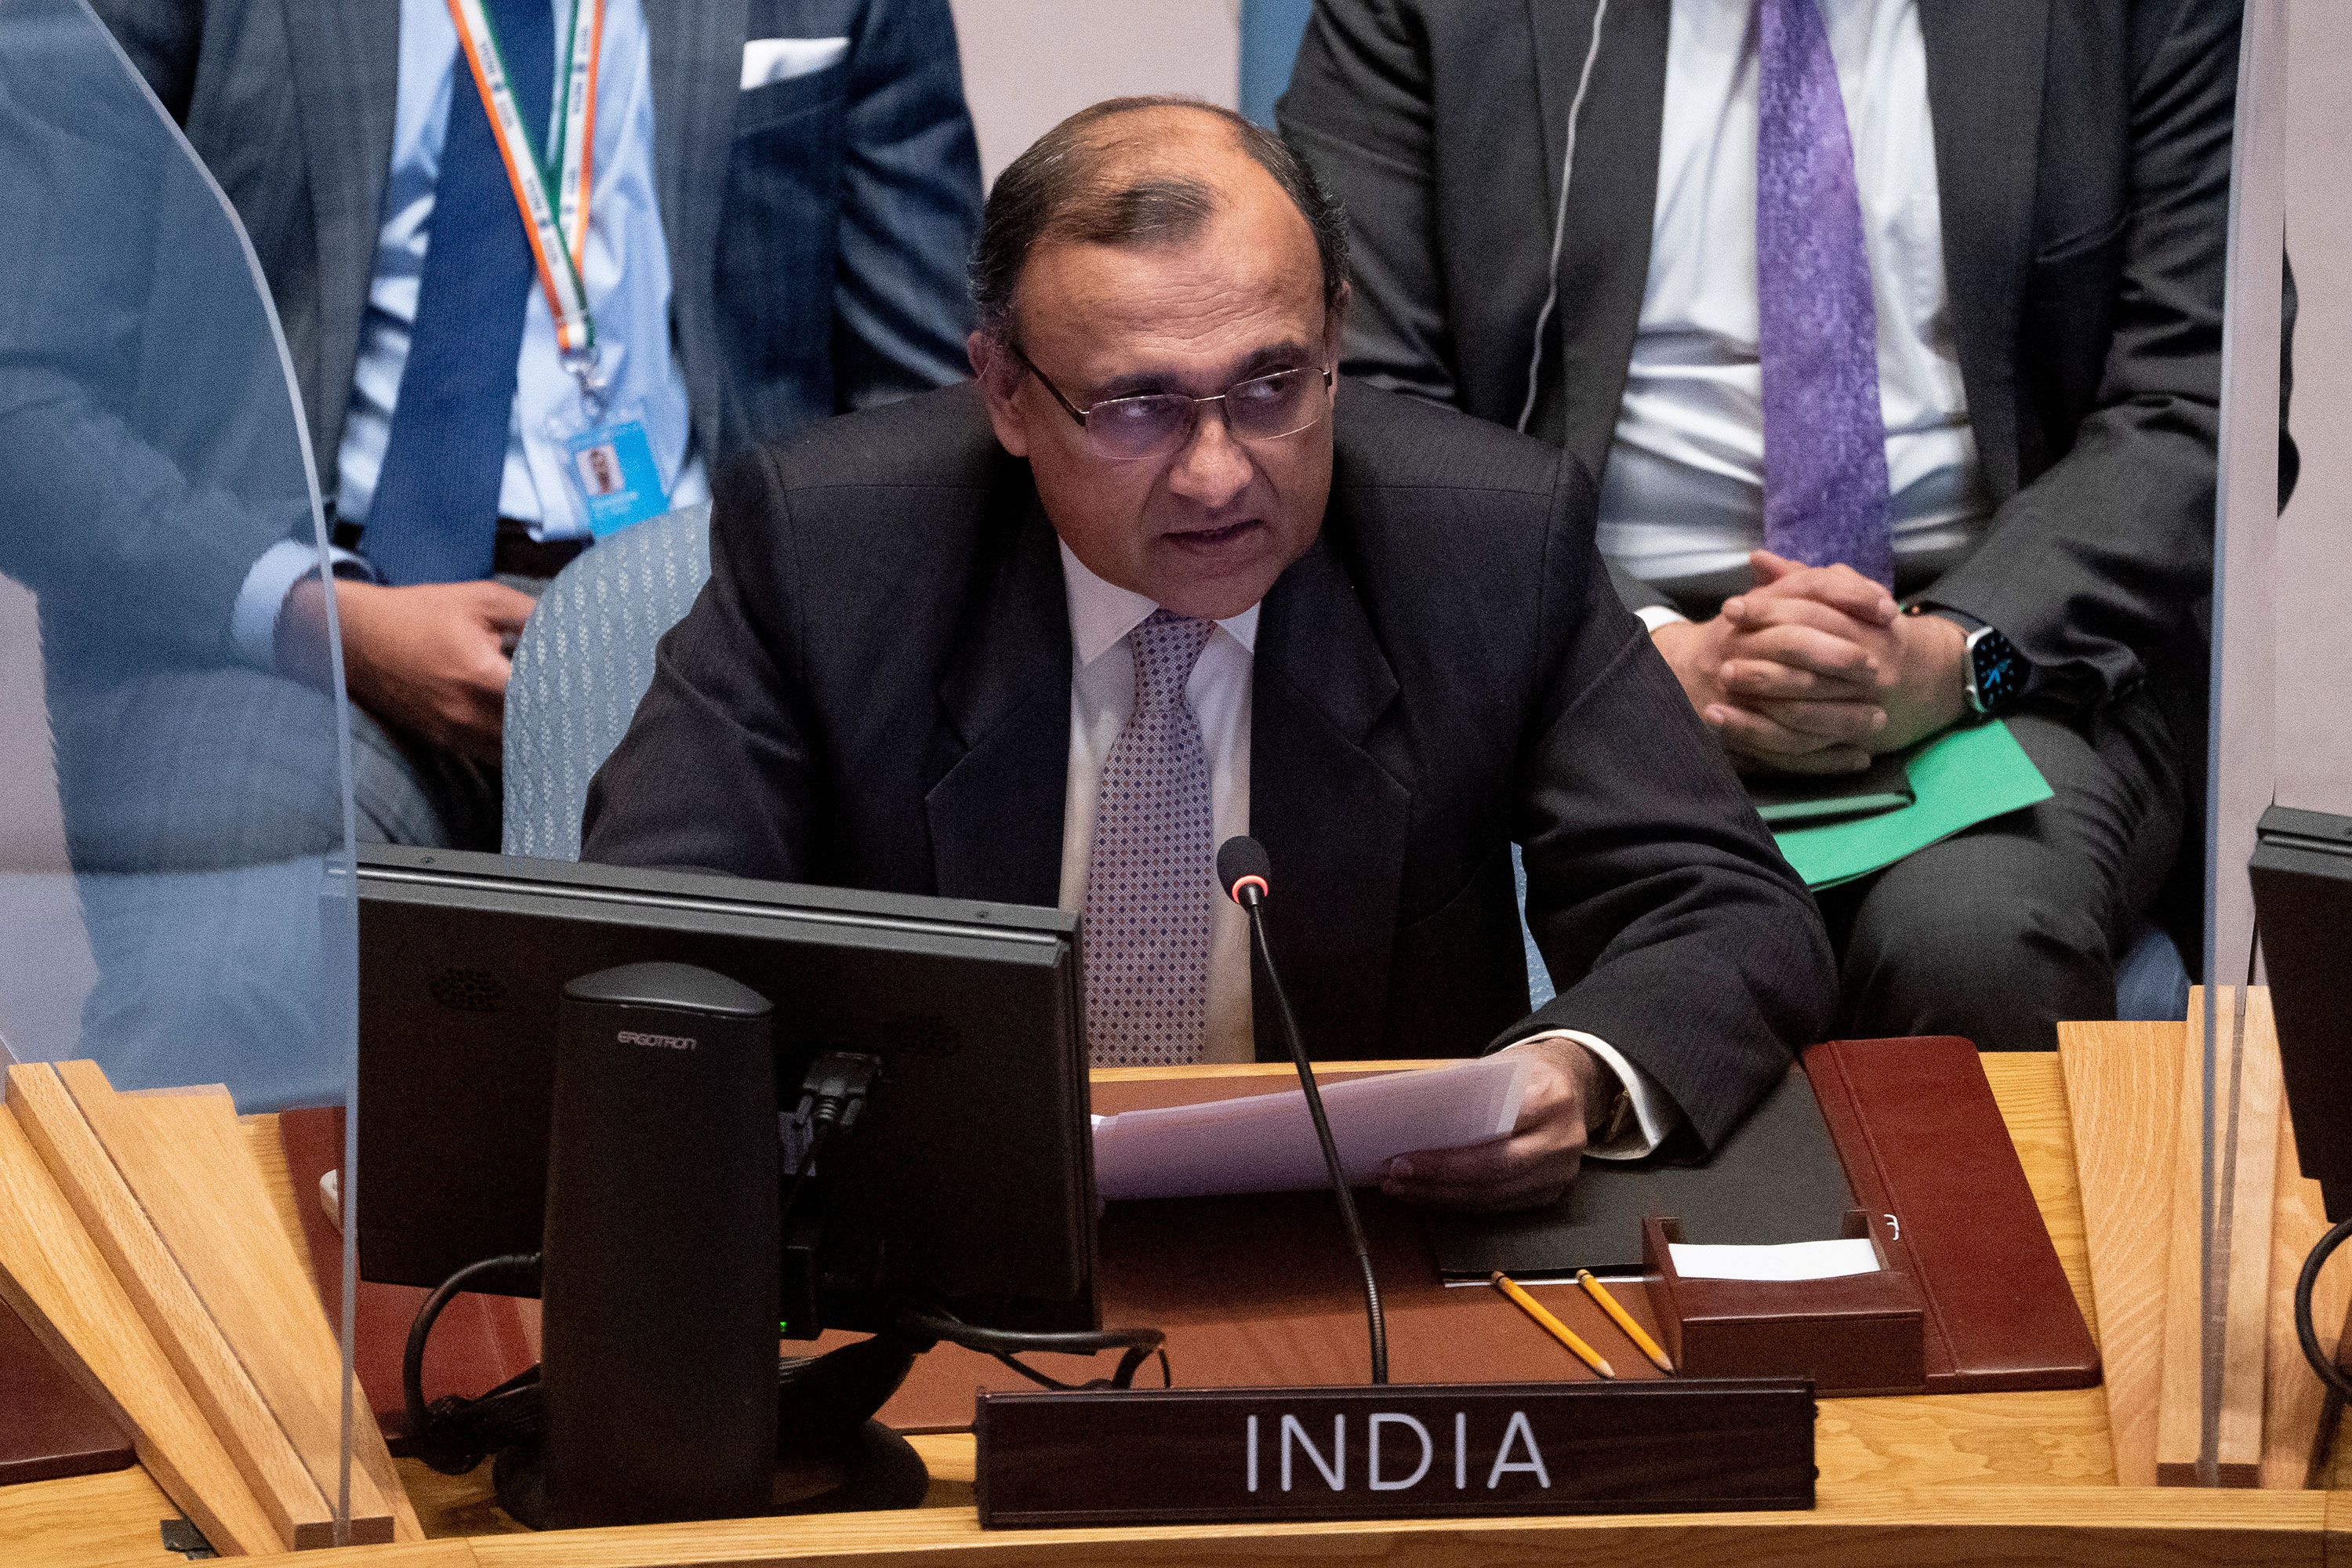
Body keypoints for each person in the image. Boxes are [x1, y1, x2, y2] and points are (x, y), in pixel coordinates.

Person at [582, 98, 1837, 1210]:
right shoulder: (830, 550)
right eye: (1137, 406)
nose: (1219, 471)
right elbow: (653, 927)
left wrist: (1578, 1075)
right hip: (946, 1235)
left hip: (1368, 1243)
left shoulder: (1490, 546)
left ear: (1337, 335)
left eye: (1272, 382)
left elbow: (1722, 908)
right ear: (1007, 392)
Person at [1276, 0, 2247, 1049]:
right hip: (1568, 638)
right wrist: (1638, 654)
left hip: (2003, 644)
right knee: (1630, 972)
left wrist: (1956, 652)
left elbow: (2195, 397)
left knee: (1974, 943)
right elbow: (1363, 390)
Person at [95, 0, 985, 848]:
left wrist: (792, 659)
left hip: (712, 632)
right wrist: (315, 616)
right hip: (315, 623)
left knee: (680, 978)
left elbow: (923, 408)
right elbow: (35, 390)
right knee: (253, 952)